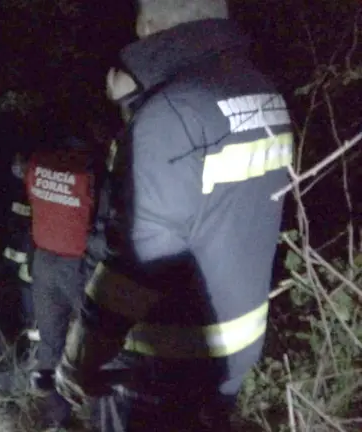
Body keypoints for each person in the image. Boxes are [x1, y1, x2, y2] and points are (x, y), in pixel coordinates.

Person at [55, 1, 294, 431]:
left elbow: (136, 267)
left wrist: (79, 359)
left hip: (160, 363)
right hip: (233, 349)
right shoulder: (261, 91)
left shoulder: (171, 114)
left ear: (148, 24)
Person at [25, 123, 98, 430]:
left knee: (50, 338)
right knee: (88, 339)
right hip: (75, 265)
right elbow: (97, 211)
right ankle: (93, 413)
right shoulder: (88, 173)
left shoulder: (37, 165)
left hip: (43, 261)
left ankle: (54, 415)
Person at [2, 150, 37, 341]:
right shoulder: (17, 190)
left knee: (28, 302)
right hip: (20, 257)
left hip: (28, 258)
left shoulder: (28, 192)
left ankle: (27, 343)